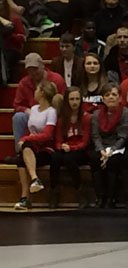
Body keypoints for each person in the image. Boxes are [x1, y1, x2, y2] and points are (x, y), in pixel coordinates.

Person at [13, 81, 57, 210]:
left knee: (25, 148)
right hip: (32, 147)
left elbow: (47, 135)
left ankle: (26, 196)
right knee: (20, 159)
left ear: (42, 93)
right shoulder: (33, 109)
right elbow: (30, 130)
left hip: (46, 149)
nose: (35, 91)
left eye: (37, 89)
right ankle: (29, 190)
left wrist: (26, 138)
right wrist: (27, 138)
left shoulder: (51, 111)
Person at [51, 86, 92, 209]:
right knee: (55, 157)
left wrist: (71, 148)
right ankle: (54, 191)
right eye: (72, 99)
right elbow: (58, 140)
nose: (75, 102)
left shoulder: (86, 117)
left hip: (81, 151)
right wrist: (61, 146)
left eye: (77, 99)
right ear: (67, 101)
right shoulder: (61, 119)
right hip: (66, 148)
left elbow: (85, 142)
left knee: (68, 159)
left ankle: (80, 190)